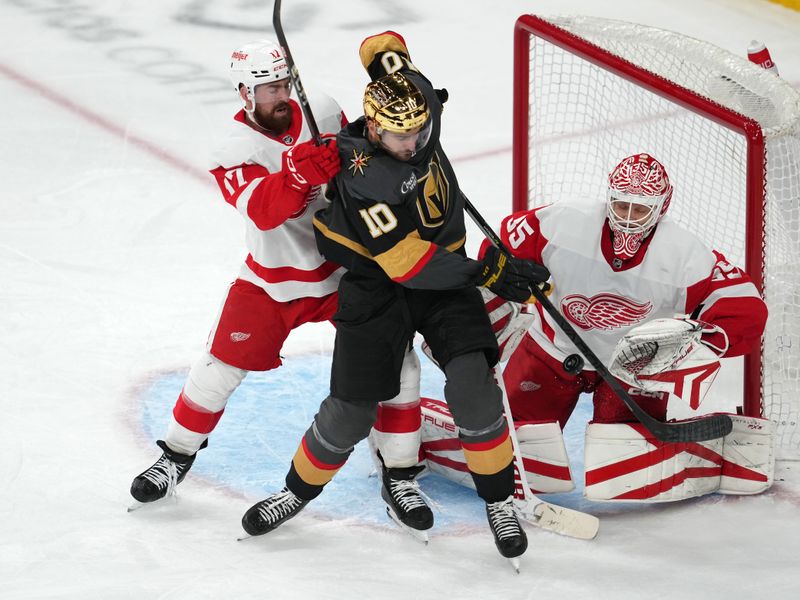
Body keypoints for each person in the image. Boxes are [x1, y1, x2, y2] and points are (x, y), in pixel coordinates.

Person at [238, 31, 549, 562]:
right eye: (402, 138)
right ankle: (293, 493)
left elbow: (385, 49)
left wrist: (385, 58)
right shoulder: (361, 178)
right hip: (383, 282)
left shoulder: (417, 108)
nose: (416, 144)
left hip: (444, 277)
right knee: (351, 413)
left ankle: (497, 501)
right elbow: (406, 263)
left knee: (474, 383)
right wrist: (491, 268)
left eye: (421, 131)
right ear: (375, 128)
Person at [128, 39, 421, 509]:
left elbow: (369, 169)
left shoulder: (322, 108)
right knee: (217, 369)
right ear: (246, 93)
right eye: (268, 89)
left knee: (397, 361)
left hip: (344, 268)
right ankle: (176, 455)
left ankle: (401, 469)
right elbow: (265, 212)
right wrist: (300, 176)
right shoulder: (232, 148)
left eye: (284, 83)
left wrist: (351, 161)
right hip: (274, 279)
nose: (280, 94)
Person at [419, 153, 774, 503]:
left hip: (632, 368)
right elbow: (498, 247)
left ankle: (708, 451)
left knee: (622, 457)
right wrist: (507, 273)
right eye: (621, 206)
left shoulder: (686, 255)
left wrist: (700, 340)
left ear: (661, 208)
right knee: (517, 446)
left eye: (640, 210)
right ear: (609, 197)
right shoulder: (563, 222)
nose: (629, 219)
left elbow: (746, 307)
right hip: (553, 350)